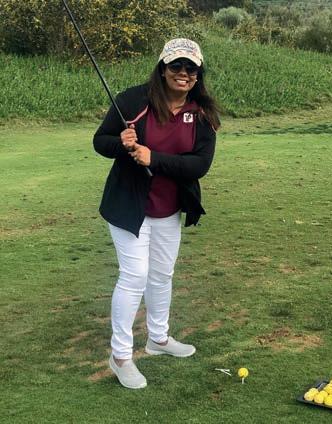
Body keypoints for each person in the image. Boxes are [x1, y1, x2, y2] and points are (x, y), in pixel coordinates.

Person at [93, 38, 220, 389]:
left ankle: (158, 339)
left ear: (198, 74)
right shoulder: (132, 101)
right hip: (128, 206)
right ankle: (120, 356)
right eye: (176, 65)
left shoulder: (202, 113)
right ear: (163, 68)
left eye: (191, 68)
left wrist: (153, 158)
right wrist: (122, 144)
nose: (184, 73)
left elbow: (199, 164)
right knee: (135, 276)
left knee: (162, 275)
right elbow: (100, 142)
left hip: (168, 209)